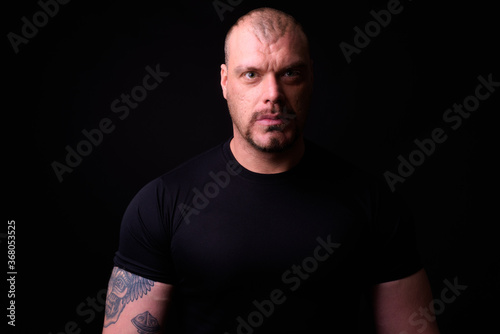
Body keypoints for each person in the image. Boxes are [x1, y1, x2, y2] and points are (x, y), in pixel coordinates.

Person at [102, 7, 440, 334]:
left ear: (311, 78)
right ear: (224, 82)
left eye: (290, 73)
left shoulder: (372, 202)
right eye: (252, 74)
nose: (273, 95)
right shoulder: (161, 203)